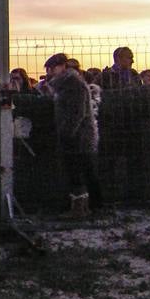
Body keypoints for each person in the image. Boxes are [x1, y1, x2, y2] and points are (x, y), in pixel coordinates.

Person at [44, 52, 103, 216]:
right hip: (79, 134)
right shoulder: (67, 84)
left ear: (62, 67)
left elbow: (78, 112)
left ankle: (81, 207)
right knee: (84, 170)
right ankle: (91, 206)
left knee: (77, 171)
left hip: (77, 136)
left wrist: (67, 132)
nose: (49, 72)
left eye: (51, 68)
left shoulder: (72, 84)